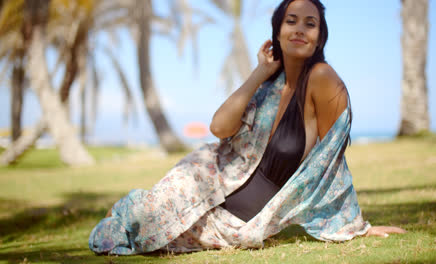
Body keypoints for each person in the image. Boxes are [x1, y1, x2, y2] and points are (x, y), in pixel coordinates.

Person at [89, 0, 405, 255]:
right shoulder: (268, 85)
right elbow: (219, 127)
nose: (300, 29)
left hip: (235, 221)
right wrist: (258, 73)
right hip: (202, 181)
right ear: (277, 31)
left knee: (147, 239)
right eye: (291, 20)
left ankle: (126, 210)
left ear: (320, 37)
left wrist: (356, 226)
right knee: (139, 222)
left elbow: (331, 161)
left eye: (310, 24)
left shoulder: (321, 78)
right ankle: (127, 209)